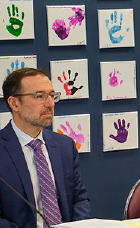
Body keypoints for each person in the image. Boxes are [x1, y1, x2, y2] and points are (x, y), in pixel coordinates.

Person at [0, 68, 91, 228]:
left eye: (52, 95)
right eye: (39, 96)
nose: (50, 104)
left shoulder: (65, 146)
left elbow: (79, 199)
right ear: (14, 103)